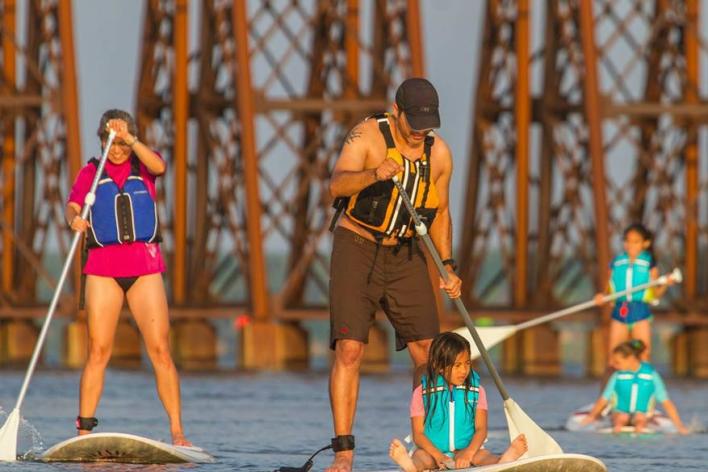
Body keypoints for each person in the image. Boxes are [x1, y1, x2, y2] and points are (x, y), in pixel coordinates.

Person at [326, 77, 462, 472]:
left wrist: (447, 266)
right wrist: (373, 175)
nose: (421, 131)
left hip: (405, 254)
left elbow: (440, 213)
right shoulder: (367, 136)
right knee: (350, 350)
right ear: (396, 112)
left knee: (429, 353)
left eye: (428, 123)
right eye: (414, 121)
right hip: (358, 246)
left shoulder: (439, 154)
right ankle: (344, 452)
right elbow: (336, 184)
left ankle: (428, 447)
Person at [65, 109, 190, 446]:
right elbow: (74, 204)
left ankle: (177, 432)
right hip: (103, 270)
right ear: (102, 141)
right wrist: (74, 219)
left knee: (160, 351)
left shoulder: (144, 167)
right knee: (97, 351)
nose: (116, 149)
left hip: (144, 268)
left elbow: (161, 167)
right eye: (111, 142)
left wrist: (132, 138)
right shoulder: (91, 172)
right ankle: (83, 433)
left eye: (121, 142)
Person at [388, 332, 527, 471]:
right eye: (457, 365)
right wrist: (439, 456)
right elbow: (418, 434)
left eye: (467, 363)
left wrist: (468, 453)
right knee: (421, 458)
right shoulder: (421, 393)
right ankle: (411, 467)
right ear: (439, 366)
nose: (464, 370)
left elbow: (481, 430)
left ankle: (503, 461)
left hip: (466, 449)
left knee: (482, 456)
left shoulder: (477, 391)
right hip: (432, 452)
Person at [594, 223, 672, 363]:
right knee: (614, 356)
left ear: (645, 243)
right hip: (620, 313)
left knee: (643, 355)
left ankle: (641, 382)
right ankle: (616, 383)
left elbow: (655, 295)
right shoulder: (616, 263)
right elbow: (607, 290)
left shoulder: (650, 265)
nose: (630, 245)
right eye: (627, 241)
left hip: (640, 314)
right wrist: (602, 297)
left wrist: (665, 284)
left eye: (635, 242)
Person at [581, 339, 688, 434]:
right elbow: (604, 399)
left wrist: (679, 426)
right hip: (619, 412)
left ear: (631, 358)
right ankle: (618, 433)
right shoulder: (616, 376)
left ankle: (639, 432)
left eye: (617, 362)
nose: (613, 365)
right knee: (621, 419)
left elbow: (666, 402)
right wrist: (591, 417)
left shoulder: (651, 375)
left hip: (644, 413)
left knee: (640, 419)